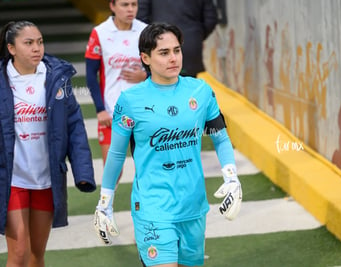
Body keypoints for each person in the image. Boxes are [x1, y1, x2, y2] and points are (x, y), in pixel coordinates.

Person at [93, 22, 242, 267]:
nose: (173, 58)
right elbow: (117, 153)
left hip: (193, 205)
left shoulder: (201, 91)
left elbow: (220, 136)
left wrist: (231, 177)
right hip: (153, 207)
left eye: (176, 50)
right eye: (164, 53)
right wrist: (105, 201)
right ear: (145, 58)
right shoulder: (130, 101)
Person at [0, 20, 96, 267]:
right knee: (18, 252)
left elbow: (74, 126)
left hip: (47, 178)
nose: (37, 48)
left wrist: (83, 172)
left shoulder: (56, 78)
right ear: (11, 48)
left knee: (36, 254)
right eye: (29, 43)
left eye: (40, 42)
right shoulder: (2, 81)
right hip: (12, 179)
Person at [85, 0, 147, 168]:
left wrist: (145, 76)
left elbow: (158, 67)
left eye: (134, 5)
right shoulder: (100, 33)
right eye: (125, 5)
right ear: (113, 6)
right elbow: (91, 75)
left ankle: (142, 197)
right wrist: (100, 110)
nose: (130, 9)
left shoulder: (145, 31)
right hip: (111, 114)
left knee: (145, 166)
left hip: (143, 110)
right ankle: (106, 197)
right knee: (113, 170)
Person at [137, 0, 218, 77]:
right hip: (190, 45)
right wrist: (197, 36)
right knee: (188, 85)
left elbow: (141, 19)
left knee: (161, 84)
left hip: (159, 46)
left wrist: (153, 38)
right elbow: (211, 19)